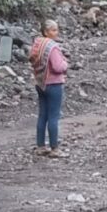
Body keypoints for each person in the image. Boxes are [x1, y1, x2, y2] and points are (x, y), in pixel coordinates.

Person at [29, 20, 68, 158]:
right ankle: (54, 148)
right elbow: (58, 67)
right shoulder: (52, 47)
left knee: (42, 115)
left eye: (56, 30)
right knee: (53, 116)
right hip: (53, 84)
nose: (56, 33)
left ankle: (40, 146)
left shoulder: (38, 44)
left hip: (40, 83)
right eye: (53, 30)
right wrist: (65, 64)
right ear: (46, 32)